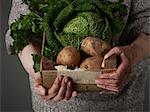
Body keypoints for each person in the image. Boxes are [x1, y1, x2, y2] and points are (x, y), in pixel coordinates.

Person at [5, 0, 150, 111]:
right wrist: (39, 72)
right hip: (54, 107)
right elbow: (19, 31)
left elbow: (146, 20)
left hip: (123, 102)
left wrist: (132, 53)